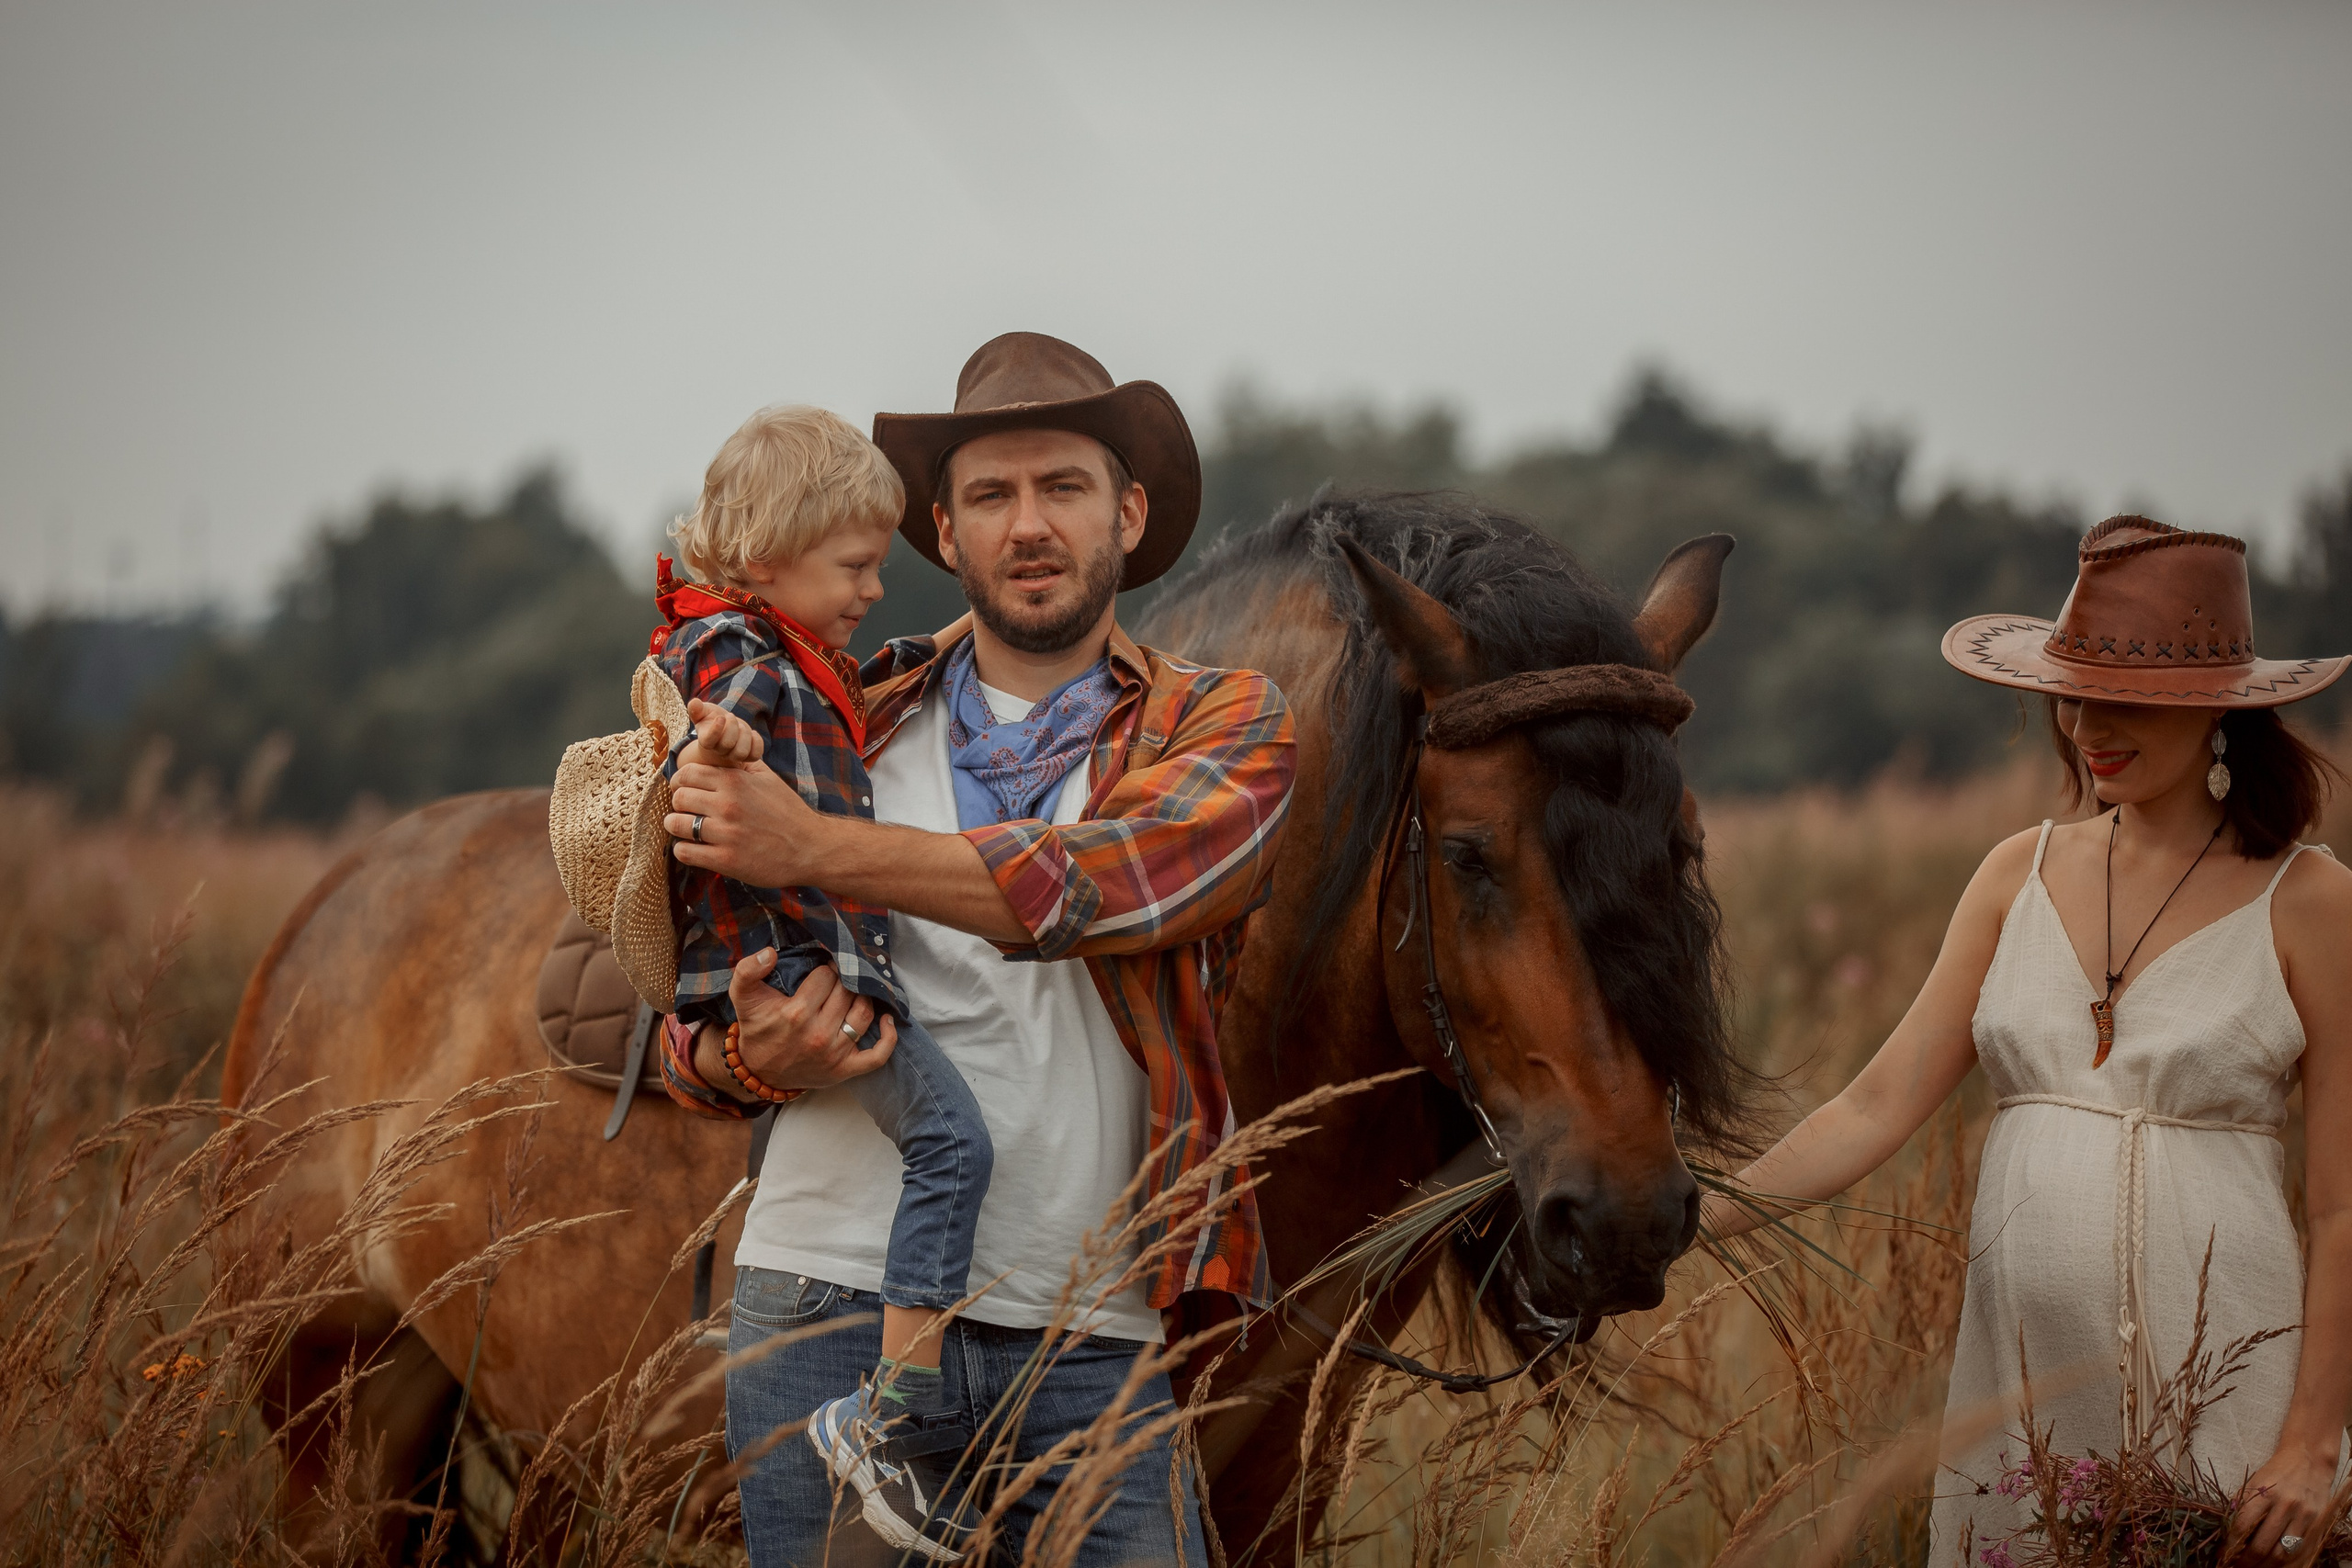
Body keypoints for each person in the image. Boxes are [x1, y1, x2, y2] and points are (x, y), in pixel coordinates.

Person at [656, 333, 1296, 1567]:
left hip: (1091, 1325)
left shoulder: (1217, 722)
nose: (1029, 524)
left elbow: (1102, 882)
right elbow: (658, 987)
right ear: (944, 534)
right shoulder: (832, 704)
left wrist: (814, 848)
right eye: (991, 496)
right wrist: (747, 1048)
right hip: (827, 1306)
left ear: (1130, 510)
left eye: (1063, 485)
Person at [1701, 515, 2352, 1565]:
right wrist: (1691, 1213)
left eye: (2126, 697)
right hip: (2026, 1418)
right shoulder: (2017, 873)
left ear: (2220, 711)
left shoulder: (2312, 903)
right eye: (2072, 690)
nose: (2088, 721)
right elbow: (1873, 1107)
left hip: (2239, 1405)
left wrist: (2313, 1444)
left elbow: (2341, 1203)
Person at [648, 404, 995, 1561]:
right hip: (815, 973)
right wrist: (729, 753)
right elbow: (711, 736)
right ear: (766, 559)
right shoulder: (737, 663)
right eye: (855, 566)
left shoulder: (792, 657)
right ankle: (890, 1416)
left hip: (814, 962)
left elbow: (840, 684)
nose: (873, 588)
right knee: (952, 1144)